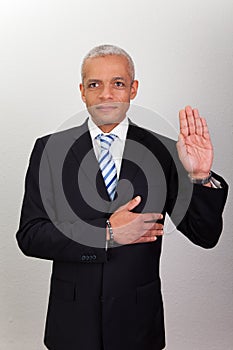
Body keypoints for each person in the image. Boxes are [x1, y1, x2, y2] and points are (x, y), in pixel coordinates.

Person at [16, 44, 228, 350]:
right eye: (94, 84)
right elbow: (31, 236)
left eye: (117, 83)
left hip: (138, 324)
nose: (106, 94)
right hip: (72, 324)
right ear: (82, 91)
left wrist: (200, 177)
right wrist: (108, 233)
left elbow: (205, 235)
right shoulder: (50, 150)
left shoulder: (164, 152)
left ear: (133, 89)